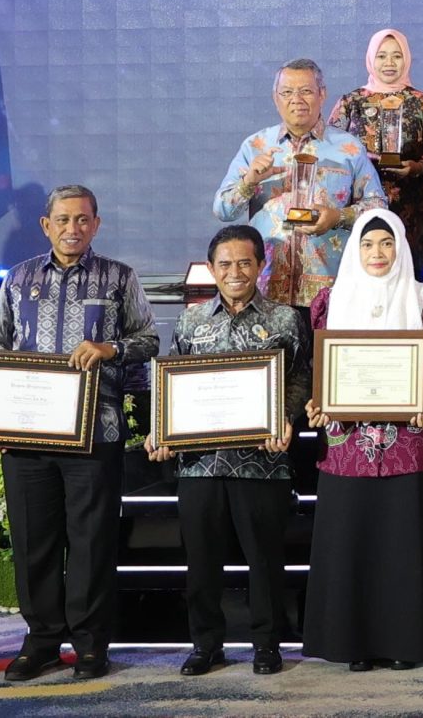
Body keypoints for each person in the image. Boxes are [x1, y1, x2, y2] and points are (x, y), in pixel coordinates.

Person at [0, 184, 157, 683]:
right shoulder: (17, 280)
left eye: (82, 219)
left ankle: (89, 645)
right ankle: (41, 642)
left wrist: (109, 350)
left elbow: (148, 340)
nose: (72, 229)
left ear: (96, 224)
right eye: (62, 220)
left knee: (90, 543)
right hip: (28, 436)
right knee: (33, 543)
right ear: (46, 225)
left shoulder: (119, 278)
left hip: (95, 434)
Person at [303, 208, 423, 671]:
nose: (378, 254)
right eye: (368, 245)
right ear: (355, 250)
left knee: (406, 544)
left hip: (412, 442)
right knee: (354, 542)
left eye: (387, 243)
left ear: (402, 246)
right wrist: (320, 402)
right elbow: (324, 368)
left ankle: (408, 643)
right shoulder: (330, 302)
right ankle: (355, 644)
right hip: (347, 448)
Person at [150, 223, 306, 677]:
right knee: (201, 563)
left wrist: (285, 418)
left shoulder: (284, 319)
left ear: (261, 265)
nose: (234, 271)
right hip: (199, 464)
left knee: (265, 561)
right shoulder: (190, 320)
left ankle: (267, 644)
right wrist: (161, 429)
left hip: (263, 462)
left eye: (244, 262)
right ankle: (206, 645)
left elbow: (299, 378)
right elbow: (170, 381)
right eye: (225, 264)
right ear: (211, 269)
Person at [212, 58, 387, 307]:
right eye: (287, 92)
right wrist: (248, 182)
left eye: (306, 91)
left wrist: (338, 216)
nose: (296, 99)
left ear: (322, 94)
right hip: (265, 292)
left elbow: (379, 208)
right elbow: (222, 210)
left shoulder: (348, 148)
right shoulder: (256, 146)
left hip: (329, 294)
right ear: (275, 97)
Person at [327, 27, 423, 275]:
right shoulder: (351, 103)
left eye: (397, 55)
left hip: (410, 206)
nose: (389, 63)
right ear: (371, 58)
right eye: (382, 55)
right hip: (361, 205)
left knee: (408, 277)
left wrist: (415, 168)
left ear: (406, 58)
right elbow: (333, 153)